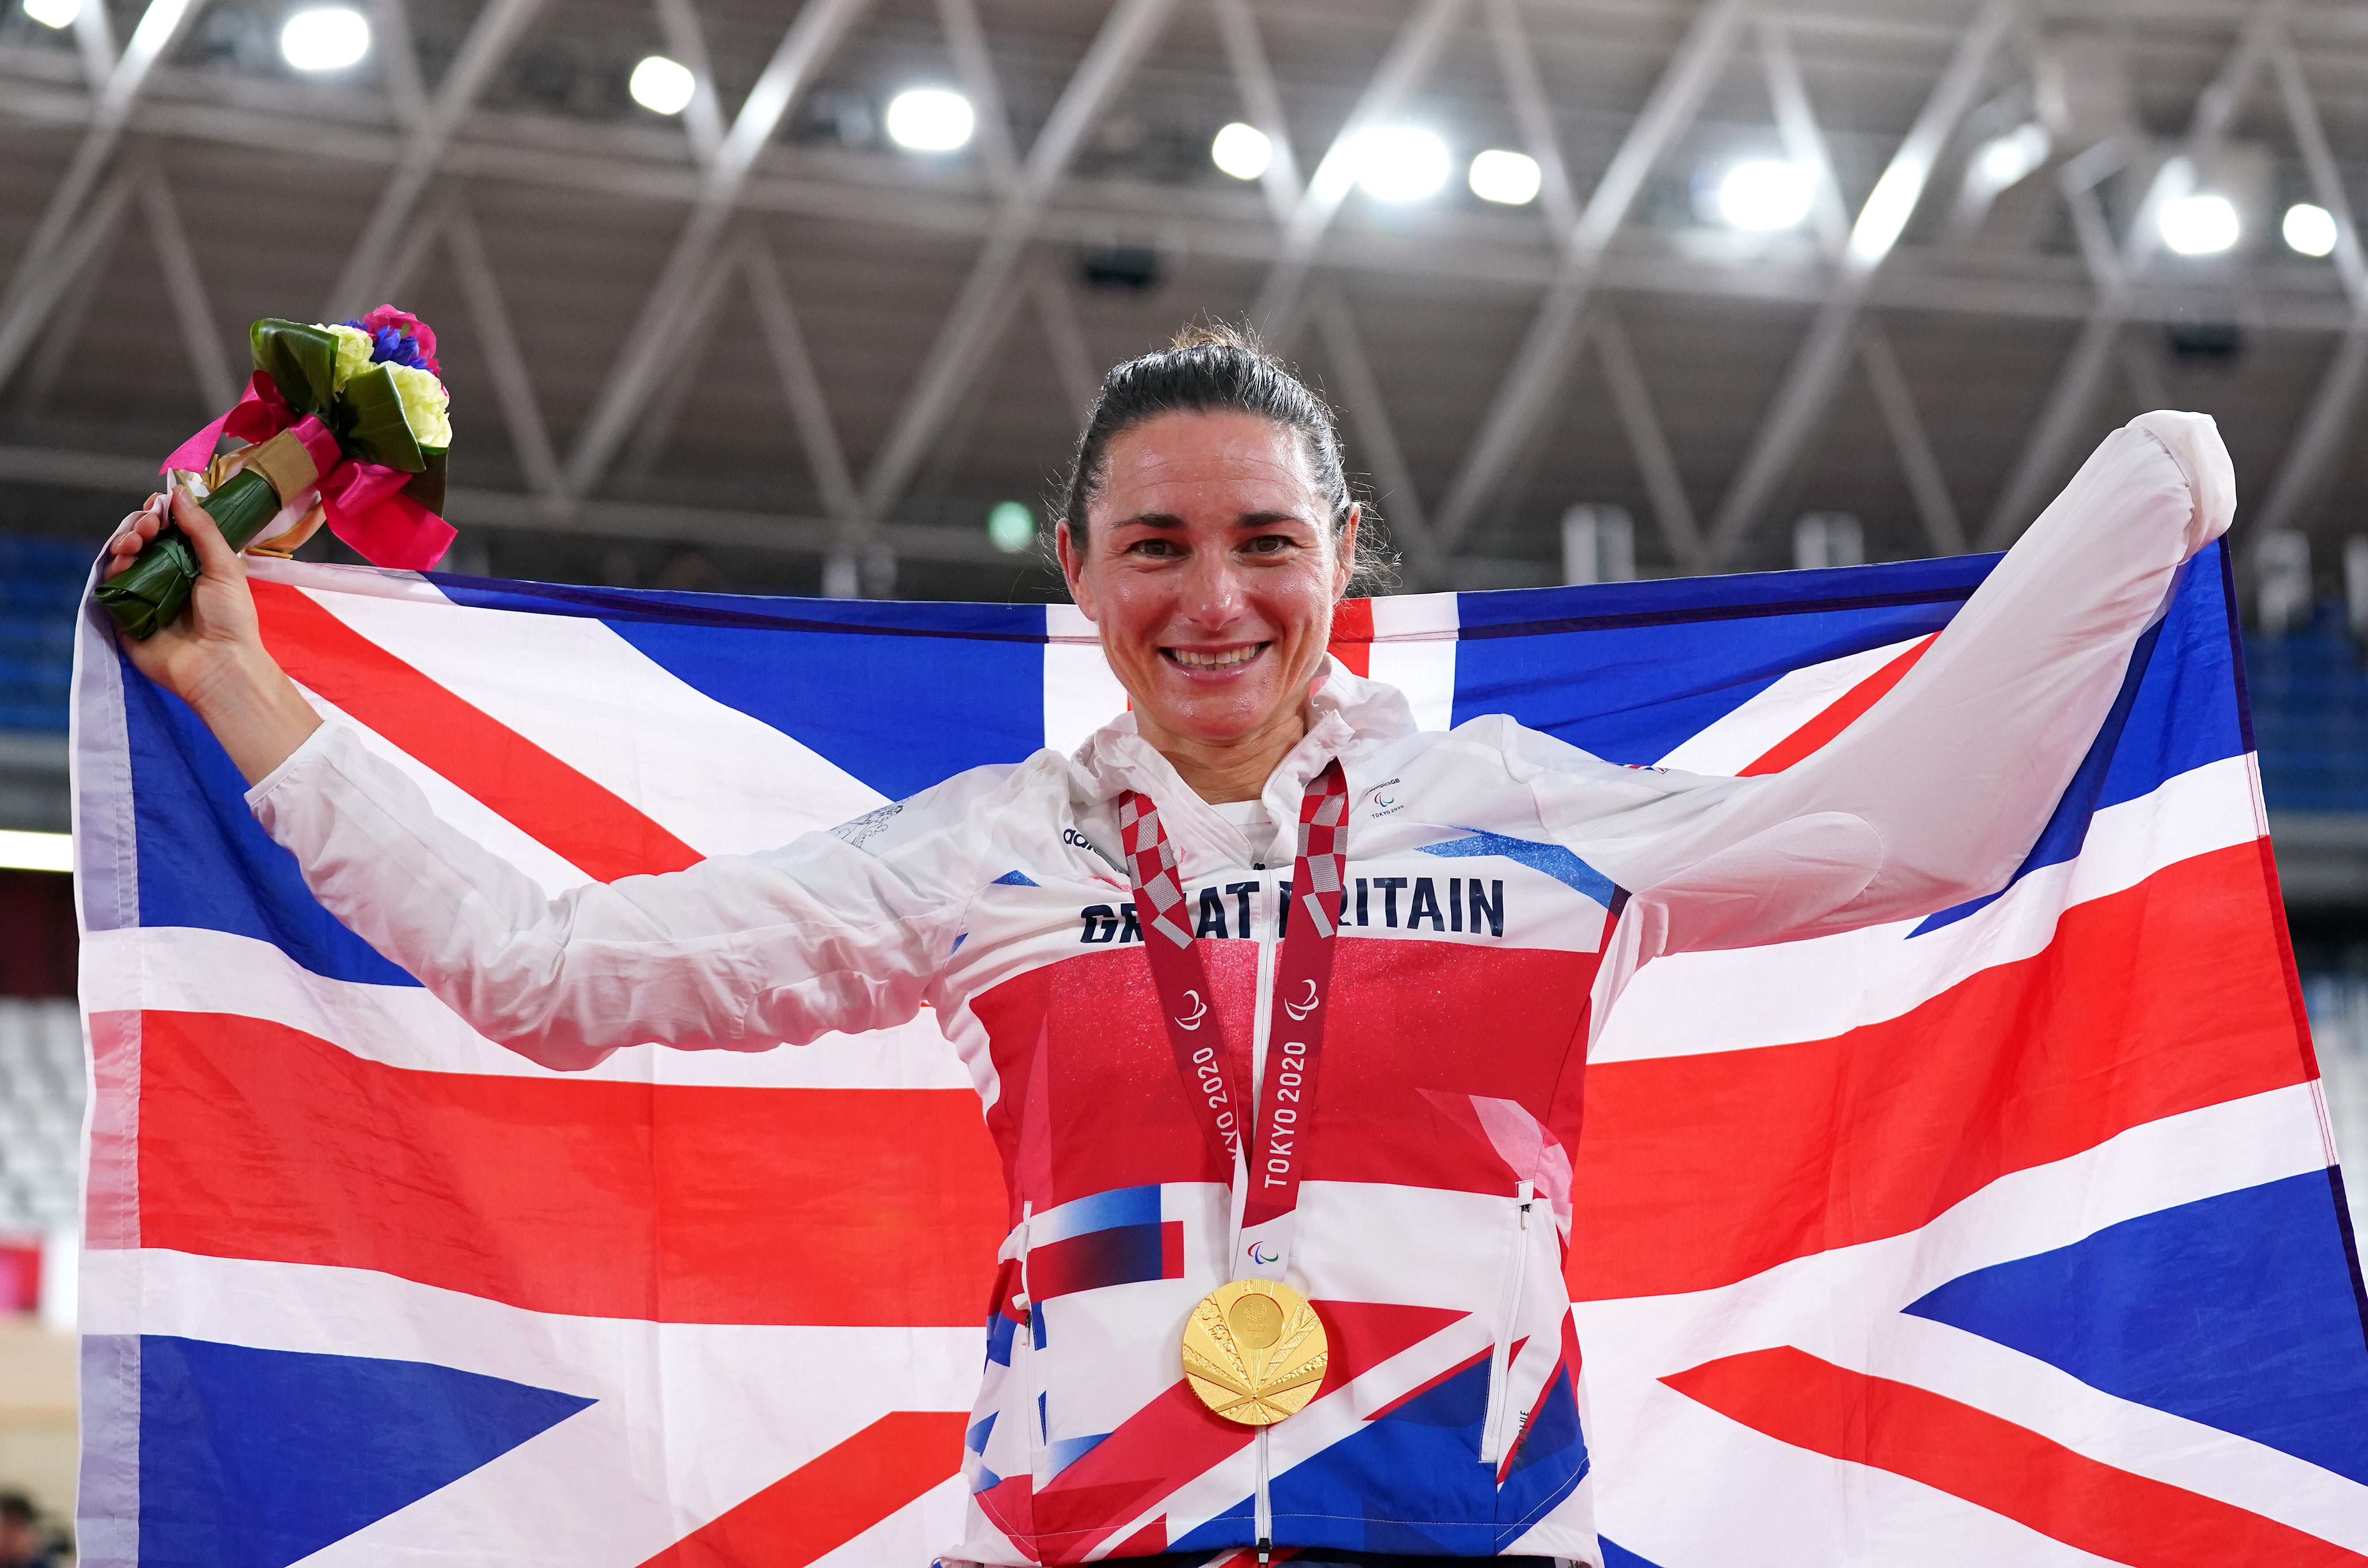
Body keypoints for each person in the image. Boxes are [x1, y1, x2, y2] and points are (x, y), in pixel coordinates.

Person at [107, 324, 2233, 1568]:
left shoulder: (1529, 819)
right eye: (1155, 544)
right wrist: (236, 682)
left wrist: (2143, 498)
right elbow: (553, 969)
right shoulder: (981, 855)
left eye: (1261, 542)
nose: (1212, 596)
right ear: (1077, 568)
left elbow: (1915, 830)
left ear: (1346, 561)